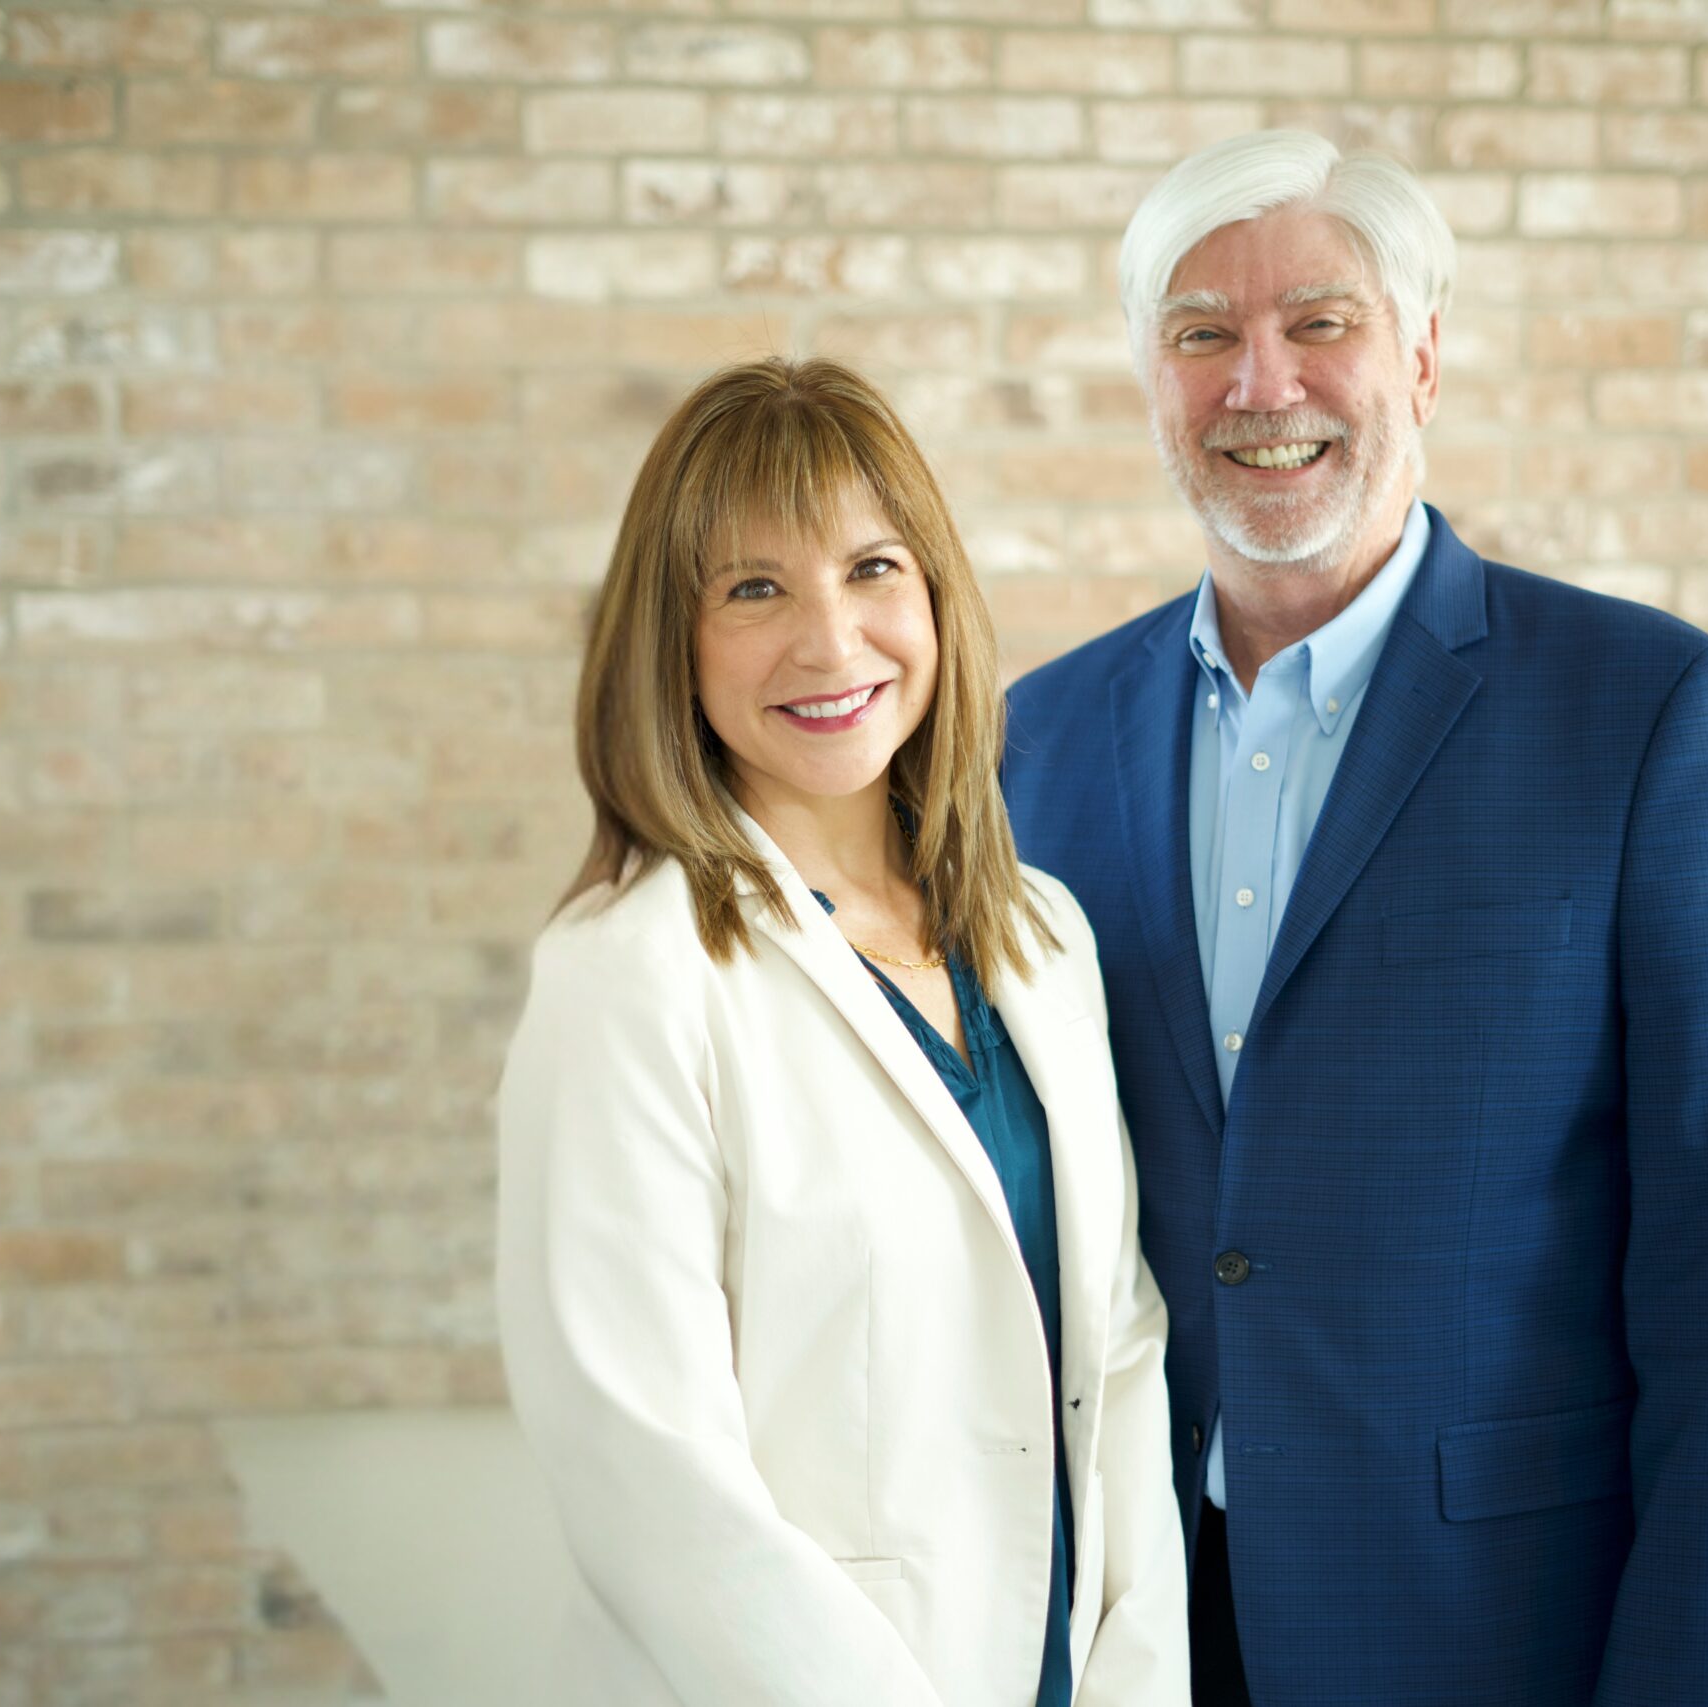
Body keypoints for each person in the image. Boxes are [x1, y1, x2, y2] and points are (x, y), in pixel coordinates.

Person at [1002, 130, 1708, 1706]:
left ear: (1426, 359)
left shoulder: (1645, 709)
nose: (1262, 383)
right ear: (1150, 379)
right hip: (1140, 1621)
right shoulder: (1032, 739)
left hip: (1497, 1622)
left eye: (1321, 321)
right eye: (1202, 334)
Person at [497, 356, 1191, 1707]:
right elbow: (650, 1479)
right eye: (755, 589)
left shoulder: (1040, 938)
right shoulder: (629, 978)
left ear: (934, 594)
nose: (830, 642)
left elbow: (1120, 1346)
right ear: (671, 640)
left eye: (873, 569)